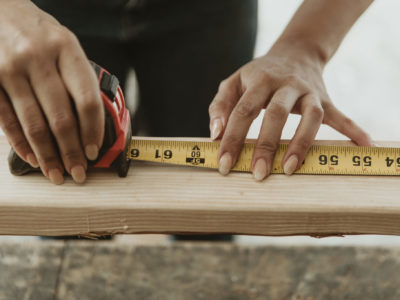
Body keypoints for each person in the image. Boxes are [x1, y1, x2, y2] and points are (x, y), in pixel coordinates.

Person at [0, 0, 374, 185]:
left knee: (216, 185)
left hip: (207, 13)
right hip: (44, 11)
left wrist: (305, 46)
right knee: (65, 195)